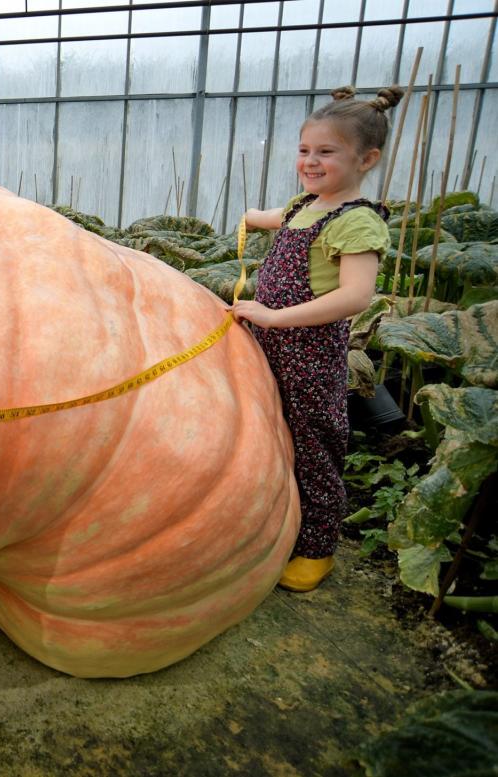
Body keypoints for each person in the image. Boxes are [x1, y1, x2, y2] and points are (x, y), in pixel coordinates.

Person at [232, 85, 403, 593]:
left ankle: (317, 548)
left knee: (314, 449)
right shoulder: (306, 205)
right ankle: (275, 527)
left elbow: (355, 296)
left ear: (366, 159)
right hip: (270, 343)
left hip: (308, 357)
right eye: (305, 150)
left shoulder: (357, 221)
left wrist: (274, 317)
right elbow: (274, 220)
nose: (311, 161)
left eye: (327, 152)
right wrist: (250, 217)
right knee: (268, 435)